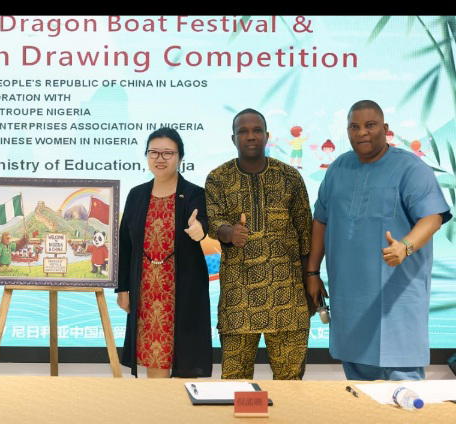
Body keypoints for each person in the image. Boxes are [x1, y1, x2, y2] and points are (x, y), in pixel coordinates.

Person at [306, 100, 452, 381]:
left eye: (370, 125)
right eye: (354, 126)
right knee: (357, 386)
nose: (362, 132)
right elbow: (321, 220)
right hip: (349, 296)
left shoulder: (410, 168)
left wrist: (405, 246)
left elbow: (433, 217)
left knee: (404, 386)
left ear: (385, 129)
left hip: (395, 296)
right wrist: (312, 271)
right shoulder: (338, 168)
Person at [205, 108, 312, 380]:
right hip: (238, 298)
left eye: (257, 130)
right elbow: (213, 221)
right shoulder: (218, 178)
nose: (250, 136)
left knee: (290, 383)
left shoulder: (289, 177)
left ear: (267, 136)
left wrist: (311, 278)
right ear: (233, 139)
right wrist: (229, 232)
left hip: (287, 298)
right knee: (234, 382)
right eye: (243, 131)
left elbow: (305, 233)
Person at [116, 127, 212, 378]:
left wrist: (199, 229)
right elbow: (125, 245)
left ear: (180, 157)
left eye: (168, 153)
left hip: (182, 288)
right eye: (154, 152)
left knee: (185, 361)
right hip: (146, 290)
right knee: (154, 359)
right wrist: (123, 289)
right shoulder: (137, 195)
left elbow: (202, 222)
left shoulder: (195, 193)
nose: (160, 158)